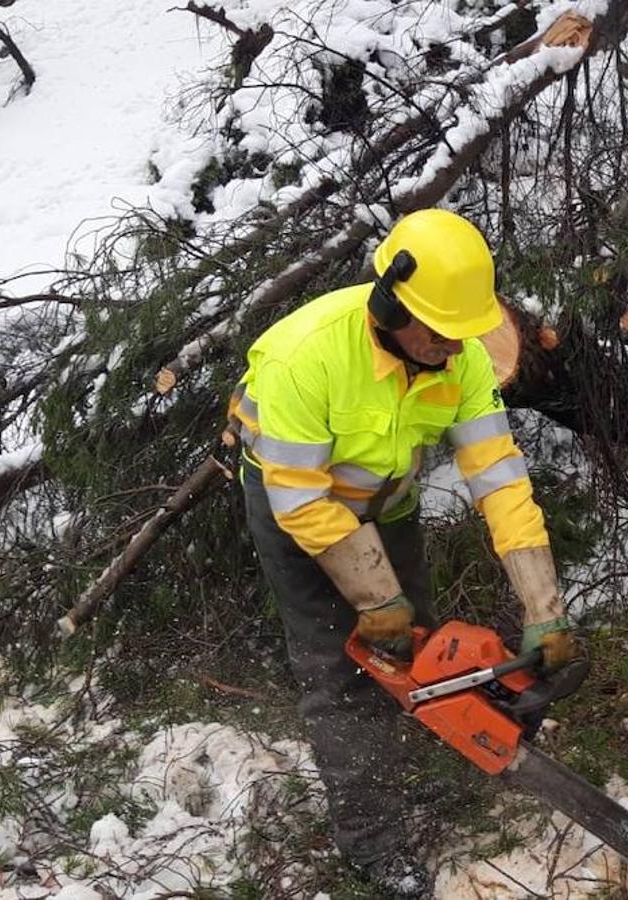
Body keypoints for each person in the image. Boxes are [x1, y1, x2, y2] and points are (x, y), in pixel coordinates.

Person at [225, 208, 580, 897]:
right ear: (390, 301)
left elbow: (499, 478)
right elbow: (300, 499)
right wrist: (371, 598)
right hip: (292, 504)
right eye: (439, 331)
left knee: (416, 651)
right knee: (340, 669)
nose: (453, 347)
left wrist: (544, 606)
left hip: (386, 504)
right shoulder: (307, 356)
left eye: (462, 332)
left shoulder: (463, 358)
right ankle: (370, 838)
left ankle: (408, 772)